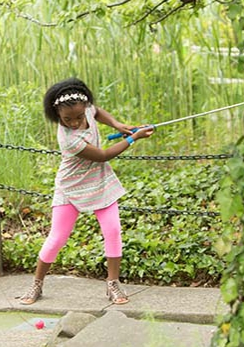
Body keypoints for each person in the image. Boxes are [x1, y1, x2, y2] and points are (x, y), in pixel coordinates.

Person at [18, 77, 154, 305]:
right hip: (71, 186)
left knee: (112, 230)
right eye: (67, 119)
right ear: (57, 115)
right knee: (57, 237)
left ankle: (113, 284)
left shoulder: (86, 110)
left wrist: (118, 125)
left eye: (79, 117)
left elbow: (97, 111)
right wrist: (133, 138)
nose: (74, 122)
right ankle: (37, 284)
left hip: (100, 180)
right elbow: (103, 155)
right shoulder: (68, 139)